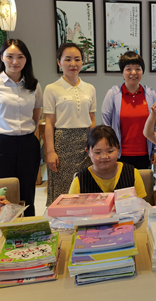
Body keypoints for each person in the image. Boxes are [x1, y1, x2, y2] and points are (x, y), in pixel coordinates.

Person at [0, 39, 42, 216]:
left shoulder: (34, 85)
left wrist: (29, 137)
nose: (15, 61)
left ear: (26, 59)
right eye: (10, 56)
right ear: (2, 58)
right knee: (2, 190)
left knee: (27, 190)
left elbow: (36, 118)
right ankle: (3, 226)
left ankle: (27, 225)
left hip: (28, 144)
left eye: (20, 57)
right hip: (0, 144)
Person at [44, 43, 97, 206]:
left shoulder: (90, 88)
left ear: (82, 62)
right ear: (59, 62)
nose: (73, 64)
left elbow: (92, 118)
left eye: (77, 59)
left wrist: (95, 146)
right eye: (67, 59)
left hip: (86, 143)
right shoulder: (51, 89)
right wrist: (50, 152)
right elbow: (49, 123)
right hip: (62, 143)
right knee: (63, 190)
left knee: (86, 185)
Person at [102, 51, 156, 171]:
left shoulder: (150, 94)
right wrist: (108, 151)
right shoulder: (113, 94)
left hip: (145, 153)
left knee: (143, 182)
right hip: (120, 154)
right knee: (122, 183)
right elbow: (106, 125)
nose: (133, 73)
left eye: (138, 69)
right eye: (128, 69)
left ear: (142, 71)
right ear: (122, 72)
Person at [68, 125, 147, 198]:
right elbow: (71, 207)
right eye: (98, 152)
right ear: (88, 152)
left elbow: (142, 204)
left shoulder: (132, 173)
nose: (104, 156)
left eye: (110, 151)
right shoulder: (80, 180)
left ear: (118, 149)